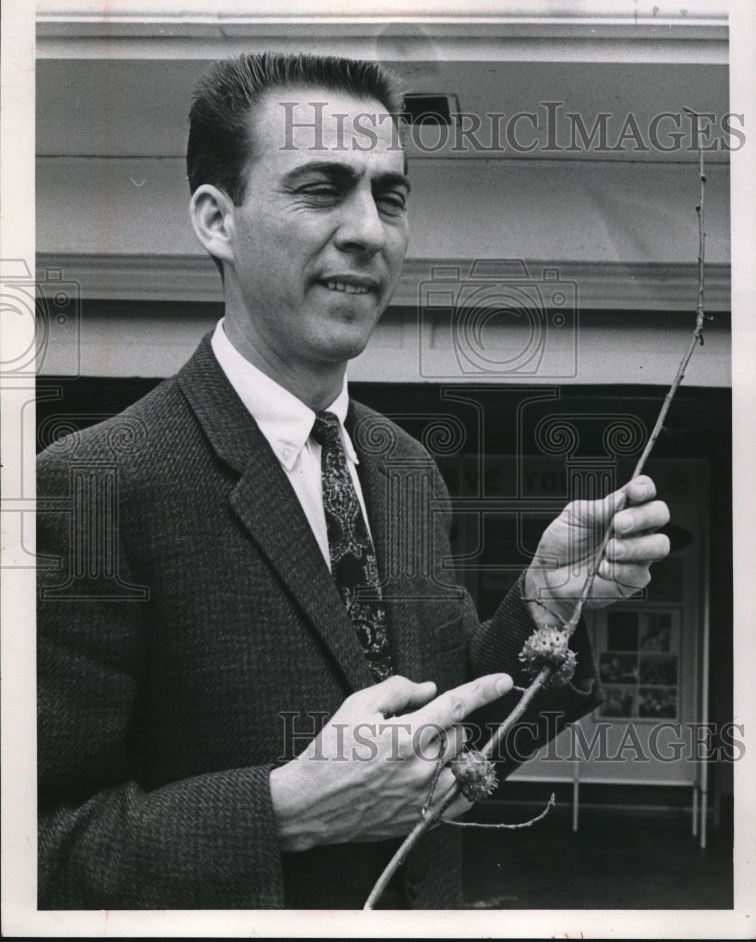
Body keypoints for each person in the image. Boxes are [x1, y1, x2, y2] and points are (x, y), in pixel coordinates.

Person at [37, 52, 671, 910]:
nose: (370, 230)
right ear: (216, 220)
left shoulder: (408, 469)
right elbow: (30, 846)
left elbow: (452, 751)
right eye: (322, 188)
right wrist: (282, 813)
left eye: (391, 196)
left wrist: (545, 610)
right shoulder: (94, 489)